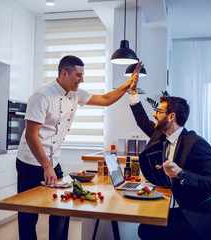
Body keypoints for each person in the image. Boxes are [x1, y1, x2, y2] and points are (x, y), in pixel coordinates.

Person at [16, 55, 142, 240]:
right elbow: (30, 135)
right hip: (31, 161)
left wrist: (128, 84)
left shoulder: (76, 94)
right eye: (78, 75)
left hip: (53, 160)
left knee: (61, 210)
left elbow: (106, 99)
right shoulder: (42, 95)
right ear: (64, 73)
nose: (82, 80)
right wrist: (47, 167)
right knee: (28, 214)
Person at [129, 79, 211, 239]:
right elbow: (142, 121)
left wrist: (181, 174)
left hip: (204, 218)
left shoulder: (197, 144)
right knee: (145, 226)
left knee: (148, 231)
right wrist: (133, 92)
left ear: (171, 116)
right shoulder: (162, 136)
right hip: (188, 210)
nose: (154, 114)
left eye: (159, 111)